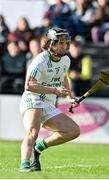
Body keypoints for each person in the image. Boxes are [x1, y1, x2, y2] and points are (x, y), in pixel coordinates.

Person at [19, 27, 80, 172]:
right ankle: (25, 165)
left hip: (48, 103)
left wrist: (69, 97)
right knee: (33, 132)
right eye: (61, 43)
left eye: (66, 43)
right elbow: (29, 85)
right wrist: (54, 90)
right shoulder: (40, 60)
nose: (64, 46)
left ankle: (39, 148)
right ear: (51, 44)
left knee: (73, 131)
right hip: (32, 99)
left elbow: (64, 77)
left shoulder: (65, 60)